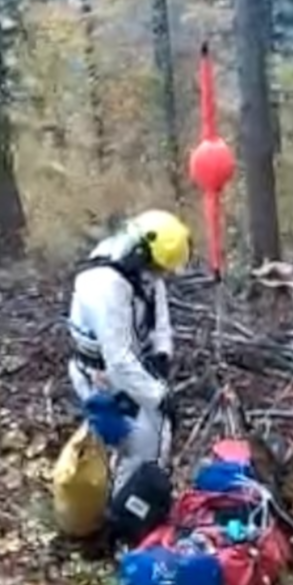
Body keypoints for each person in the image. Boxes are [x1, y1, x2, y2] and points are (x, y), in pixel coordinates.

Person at [66, 209, 191, 542]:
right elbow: (118, 359)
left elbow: (159, 315)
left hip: (136, 370)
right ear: (141, 254)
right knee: (135, 443)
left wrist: (163, 355)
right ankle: (119, 523)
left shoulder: (145, 274)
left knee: (155, 439)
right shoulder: (105, 285)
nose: (159, 275)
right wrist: (159, 396)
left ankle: (142, 505)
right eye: (157, 269)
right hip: (101, 378)